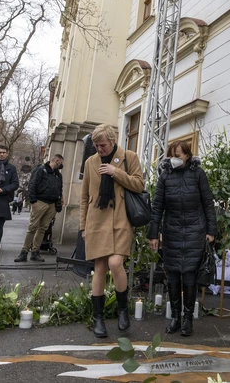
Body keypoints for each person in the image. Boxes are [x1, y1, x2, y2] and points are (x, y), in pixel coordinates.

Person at [80, 124, 144, 338]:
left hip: (120, 220)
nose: (99, 149)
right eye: (96, 146)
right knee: (99, 268)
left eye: (103, 145)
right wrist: (83, 226)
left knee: (115, 263)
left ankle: (123, 309)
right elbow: (84, 197)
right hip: (96, 221)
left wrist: (116, 172)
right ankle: (98, 318)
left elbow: (139, 185)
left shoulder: (129, 156)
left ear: (112, 140)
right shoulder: (90, 162)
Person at [147, 140, 216, 337]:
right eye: (173, 155)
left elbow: (208, 203)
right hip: (172, 231)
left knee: (189, 276)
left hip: (195, 231)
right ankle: (175, 317)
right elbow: (157, 206)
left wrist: (211, 230)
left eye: (180, 155)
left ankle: (187, 319)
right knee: (173, 276)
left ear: (188, 155)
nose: (176, 158)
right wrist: (153, 233)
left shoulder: (198, 174)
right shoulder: (165, 176)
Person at [15, 154, 63, 263]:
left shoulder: (58, 175)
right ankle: (24, 251)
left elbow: (60, 189)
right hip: (40, 201)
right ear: (56, 160)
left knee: (43, 228)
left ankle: (35, 251)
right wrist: (33, 201)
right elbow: (33, 184)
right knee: (33, 227)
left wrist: (58, 203)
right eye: (60, 162)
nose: (61, 165)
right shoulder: (41, 170)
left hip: (52, 203)